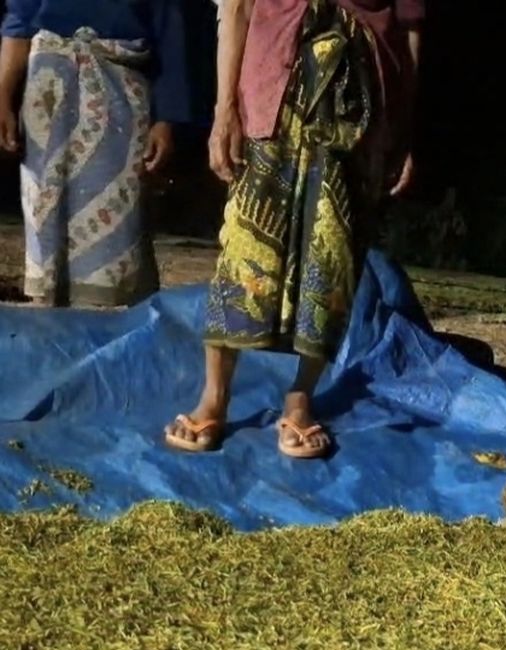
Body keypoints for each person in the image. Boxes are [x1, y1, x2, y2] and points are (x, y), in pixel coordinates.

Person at [164, 0, 422, 458]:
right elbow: (237, 8)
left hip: (356, 113)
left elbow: (408, 26)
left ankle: (301, 399)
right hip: (272, 96)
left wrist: (401, 131)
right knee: (245, 243)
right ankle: (215, 396)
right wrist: (224, 110)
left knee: (335, 255)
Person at [0, 0, 189, 307]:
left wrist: (166, 119)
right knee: (44, 216)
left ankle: (110, 325)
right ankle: (49, 323)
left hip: (121, 96)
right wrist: (3, 95)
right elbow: (19, 20)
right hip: (48, 94)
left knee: (118, 224)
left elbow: (171, 33)